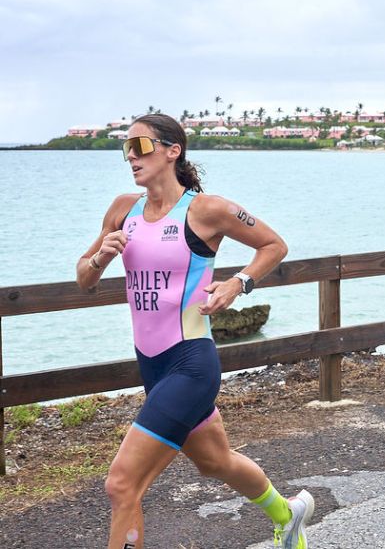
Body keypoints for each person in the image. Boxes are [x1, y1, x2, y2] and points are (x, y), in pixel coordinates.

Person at [76, 113, 314, 549]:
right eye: (126, 148)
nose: (131, 155)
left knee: (122, 484)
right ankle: (289, 513)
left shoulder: (207, 210)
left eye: (141, 146)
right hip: (153, 365)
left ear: (172, 151)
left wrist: (238, 282)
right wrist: (100, 258)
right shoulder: (122, 209)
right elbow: (83, 279)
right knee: (214, 461)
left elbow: (274, 245)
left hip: (190, 364)